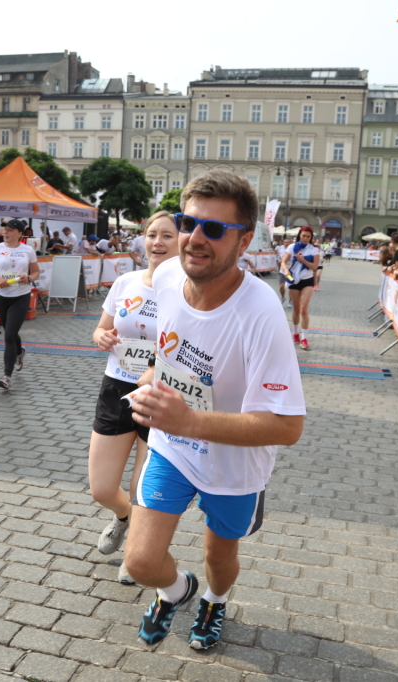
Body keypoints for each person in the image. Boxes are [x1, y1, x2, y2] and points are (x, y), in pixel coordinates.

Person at [123, 170, 305, 650]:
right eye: (188, 223)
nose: (195, 238)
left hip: (234, 465)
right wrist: (154, 375)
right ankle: (175, 591)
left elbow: (288, 426)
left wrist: (190, 420)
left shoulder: (261, 313)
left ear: (244, 240)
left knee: (218, 557)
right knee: (140, 561)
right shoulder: (167, 276)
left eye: (215, 229)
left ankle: (214, 600)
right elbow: (173, 344)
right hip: (172, 446)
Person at [89, 211, 178, 585]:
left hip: (159, 395)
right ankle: (123, 518)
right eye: (152, 234)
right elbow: (100, 330)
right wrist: (102, 338)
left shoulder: (187, 291)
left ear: (182, 242)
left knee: (141, 485)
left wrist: (159, 365)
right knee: (101, 488)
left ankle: (136, 554)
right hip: (116, 388)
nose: (158, 242)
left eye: (167, 235)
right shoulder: (125, 282)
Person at [0, 219, 40, 389]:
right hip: (2, 296)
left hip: (21, 296)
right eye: (5, 230)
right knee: (11, 332)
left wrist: (28, 278)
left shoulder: (28, 250)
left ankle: (7, 376)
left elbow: (36, 272)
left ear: (20, 233)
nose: (6, 233)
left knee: (8, 335)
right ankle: (19, 351)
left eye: (10, 230)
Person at [282, 227, 321, 350]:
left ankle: (304, 338)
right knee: (296, 309)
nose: (305, 238)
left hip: (307, 280)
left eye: (308, 237)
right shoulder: (292, 247)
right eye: (303, 236)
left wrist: (303, 260)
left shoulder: (314, 249)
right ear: (299, 235)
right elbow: (283, 262)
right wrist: (285, 270)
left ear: (311, 238)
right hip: (294, 280)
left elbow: (314, 267)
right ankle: (295, 333)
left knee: (304, 309)